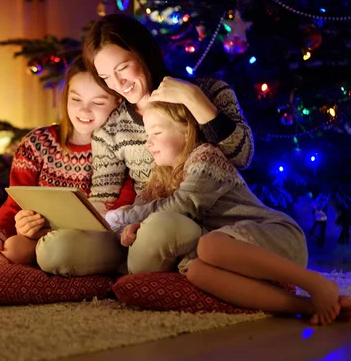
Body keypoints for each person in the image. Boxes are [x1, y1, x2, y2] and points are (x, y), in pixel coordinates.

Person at [37, 14, 253, 275]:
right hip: (138, 227)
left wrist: (193, 98)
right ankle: (140, 268)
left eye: (123, 68)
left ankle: (144, 269)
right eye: (106, 77)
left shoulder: (211, 92)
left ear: (143, 53)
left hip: (198, 226)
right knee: (55, 251)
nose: (118, 85)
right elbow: (104, 199)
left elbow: (243, 155)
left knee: (158, 232)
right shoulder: (112, 126)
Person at [104, 101, 350, 326]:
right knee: (197, 271)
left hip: (275, 236)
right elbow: (137, 212)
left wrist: (125, 217)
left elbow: (183, 205)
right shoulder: (159, 178)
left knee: (208, 247)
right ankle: (308, 307)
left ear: (187, 131)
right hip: (236, 256)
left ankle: (315, 283)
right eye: (147, 135)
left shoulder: (205, 157)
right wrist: (127, 230)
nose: (148, 142)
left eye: (156, 133)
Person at [0, 57, 133, 268]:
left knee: (13, 250)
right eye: (76, 100)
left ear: (117, 102)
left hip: (79, 238)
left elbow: (120, 211)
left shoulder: (120, 149)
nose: (84, 111)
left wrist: (46, 232)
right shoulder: (38, 142)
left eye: (98, 102)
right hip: (27, 228)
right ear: (66, 97)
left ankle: (20, 267)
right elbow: (14, 202)